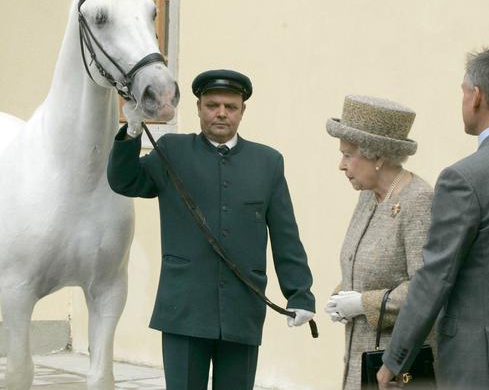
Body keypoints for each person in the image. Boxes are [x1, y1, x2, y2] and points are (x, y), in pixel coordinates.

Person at [107, 69, 315, 390]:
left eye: (230, 106)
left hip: (242, 308)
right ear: (199, 107)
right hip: (184, 309)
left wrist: (299, 293)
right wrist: (132, 130)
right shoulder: (172, 151)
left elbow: (285, 234)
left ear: (242, 110)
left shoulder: (268, 162)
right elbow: (125, 180)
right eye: (212, 104)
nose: (221, 113)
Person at [377, 47, 489, 389]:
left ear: (477, 97)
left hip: (482, 364)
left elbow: (436, 276)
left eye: (463, 92)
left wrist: (395, 358)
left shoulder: (464, 178)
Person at [324, 95, 434, 389]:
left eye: (348, 154)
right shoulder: (368, 195)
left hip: (395, 367)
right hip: (357, 358)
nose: (341, 164)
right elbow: (367, 264)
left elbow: (426, 286)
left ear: (378, 157)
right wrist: (341, 296)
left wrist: (362, 303)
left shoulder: (418, 200)